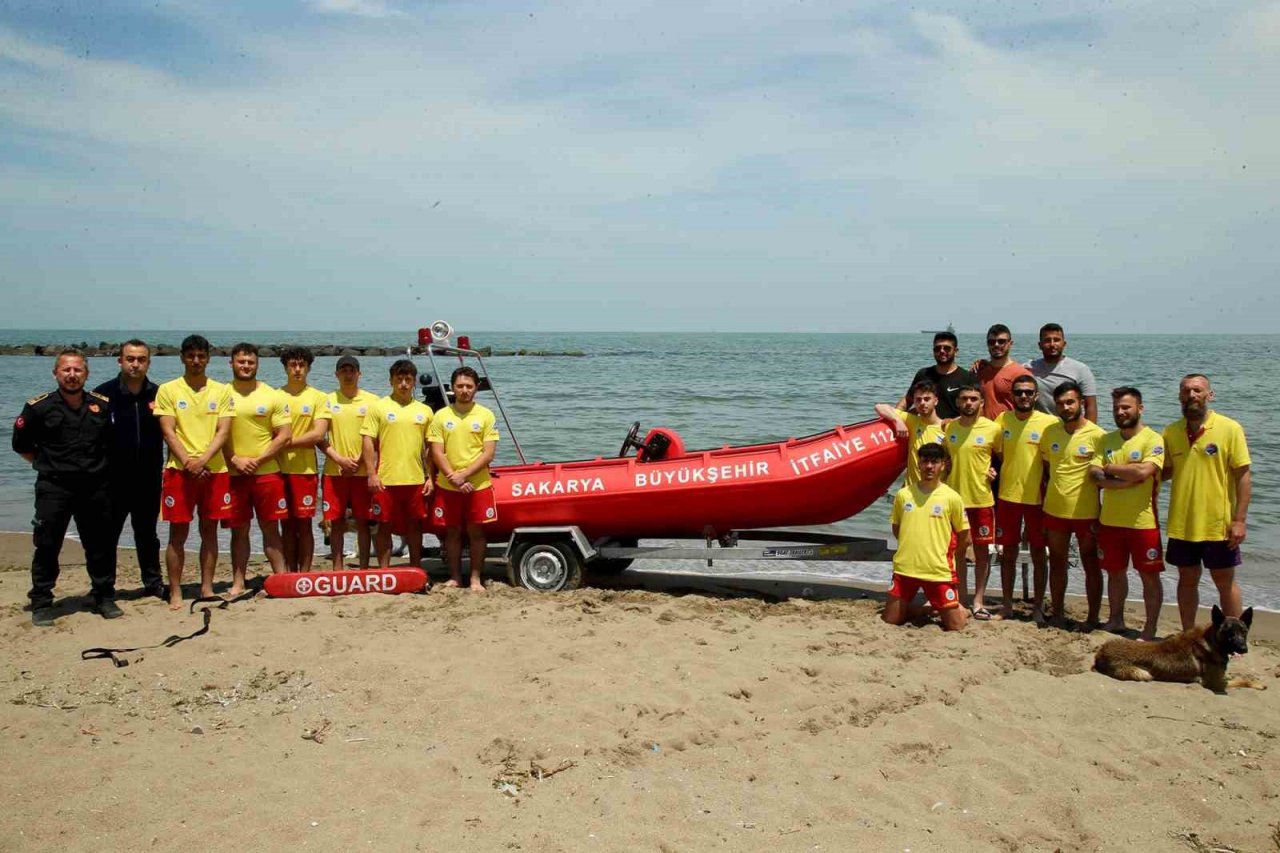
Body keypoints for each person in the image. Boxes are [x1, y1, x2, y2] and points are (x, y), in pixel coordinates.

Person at [12, 349, 119, 625]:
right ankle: (42, 601)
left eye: (77, 370)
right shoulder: (39, 407)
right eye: (66, 370)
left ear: (86, 373)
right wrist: (50, 464)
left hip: (94, 487)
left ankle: (103, 596)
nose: (72, 375)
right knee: (47, 545)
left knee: (100, 545)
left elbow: (110, 445)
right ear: (56, 373)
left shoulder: (101, 405)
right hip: (54, 488)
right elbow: (21, 446)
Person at [1162, 374, 1251, 630]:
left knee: (1224, 582)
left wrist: (1239, 520)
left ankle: (1235, 637)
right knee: (1186, 580)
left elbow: (1243, 476)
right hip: (1183, 523)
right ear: (1179, 396)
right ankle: (1188, 633)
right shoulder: (1170, 431)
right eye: (1186, 391)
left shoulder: (1229, 428)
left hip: (1218, 524)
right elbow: (1164, 471)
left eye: (1197, 390)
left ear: (1209, 395)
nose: (1191, 395)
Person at [154, 334, 233, 609]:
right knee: (178, 534)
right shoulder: (168, 390)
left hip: (214, 470)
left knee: (209, 532)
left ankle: (206, 587)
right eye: (191, 356)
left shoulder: (221, 390)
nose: (196, 361)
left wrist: (203, 460)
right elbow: (168, 431)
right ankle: (175, 591)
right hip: (179, 470)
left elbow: (223, 431)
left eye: (201, 356)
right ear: (182, 358)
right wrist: (189, 461)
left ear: (208, 358)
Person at [1090, 387, 1165, 640]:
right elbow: (1094, 475)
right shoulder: (1106, 440)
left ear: (1140, 409)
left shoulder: (1153, 439)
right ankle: (1116, 620)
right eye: (1116, 408)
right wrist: (1125, 478)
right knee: (1115, 573)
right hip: (1110, 520)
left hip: (1143, 522)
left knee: (1149, 576)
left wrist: (1111, 469)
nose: (1120, 412)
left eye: (1126, 407)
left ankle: (1150, 628)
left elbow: (1144, 472)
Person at [94, 338, 164, 599]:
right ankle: (104, 589)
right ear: (120, 361)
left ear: (148, 363)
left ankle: (153, 584)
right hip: (112, 480)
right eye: (130, 359)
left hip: (148, 478)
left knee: (147, 534)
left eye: (141, 360)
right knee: (106, 536)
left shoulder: (159, 394)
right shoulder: (102, 395)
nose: (135, 364)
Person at [222, 343, 292, 593]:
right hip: (233, 474)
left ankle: (281, 578)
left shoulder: (273, 395)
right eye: (241, 361)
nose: (246, 366)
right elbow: (216, 434)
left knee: (271, 529)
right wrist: (234, 459)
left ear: (257, 365)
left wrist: (258, 460)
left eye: (250, 362)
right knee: (238, 531)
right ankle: (238, 582)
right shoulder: (220, 394)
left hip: (267, 473)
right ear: (231, 363)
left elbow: (284, 435)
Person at [992, 374, 1058, 622]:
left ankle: (1038, 607)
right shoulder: (1003, 420)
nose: (1023, 396)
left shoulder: (1049, 423)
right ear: (1012, 395)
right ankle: (1007, 605)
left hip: (1038, 499)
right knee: (1007, 553)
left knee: (1039, 554)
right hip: (1008, 496)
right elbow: (998, 453)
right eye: (1018, 392)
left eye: (1028, 392)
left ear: (1036, 395)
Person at [428, 366, 500, 592]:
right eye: (460, 386)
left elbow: (488, 453)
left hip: (478, 485)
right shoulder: (441, 415)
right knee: (452, 532)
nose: (465, 390)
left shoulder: (486, 415)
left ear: (476, 388)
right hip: (448, 485)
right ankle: (455, 577)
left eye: (469, 386)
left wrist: (464, 475)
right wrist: (454, 477)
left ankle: (476, 579)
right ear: (452, 388)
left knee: (476, 532)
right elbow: (436, 451)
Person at [1040, 381, 1106, 627]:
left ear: (1081, 403)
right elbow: (1047, 468)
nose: (1065, 407)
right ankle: (1057, 613)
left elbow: (1102, 477)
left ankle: (1093, 617)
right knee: (1057, 562)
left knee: (1091, 563)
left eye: (1070, 402)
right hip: (1054, 509)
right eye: (1060, 404)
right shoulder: (1050, 432)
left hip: (1086, 512)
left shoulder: (1098, 435)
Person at [884, 443, 969, 631]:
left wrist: (946, 555)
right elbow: (897, 529)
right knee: (891, 620)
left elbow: (965, 536)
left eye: (934, 462)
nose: (929, 466)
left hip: (937, 571)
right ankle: (928, 608)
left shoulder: (952, 497)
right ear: (918, 464)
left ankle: (955, 607)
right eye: (925, 461)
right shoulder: (904, 494)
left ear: (943, 465)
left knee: (956, 626)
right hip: (905, 568)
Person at [361, 359, 434, 569]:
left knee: (414, 527)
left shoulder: (425, 411)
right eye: (399, 379)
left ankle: (416, 569)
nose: (403, 384)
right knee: (384, 526)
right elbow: (368, 441)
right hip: (385, 479)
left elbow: (430, 447)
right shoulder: (378, 407)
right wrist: (371, 474)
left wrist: (430, 477)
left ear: (414, 382)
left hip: (415, 479)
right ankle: (384, 571)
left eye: (408, 379)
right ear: (391, 381)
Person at [942, 385, 999, 615]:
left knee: (982, 554)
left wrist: (994, 472)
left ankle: (978, 601)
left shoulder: (993, 429)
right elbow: (945, 460)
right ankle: (961, 599)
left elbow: (1002, 458)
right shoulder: (950, 428)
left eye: (974, 399)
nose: (969, 403)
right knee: (957, 552)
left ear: (981, 402)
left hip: (982, 499)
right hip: (954, 501)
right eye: (964, 399)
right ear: (958, 402)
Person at [321, 354, 377, 569]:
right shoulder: (326, 400)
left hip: (363, 472)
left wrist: (360, 460)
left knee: (363, 522)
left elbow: (375, 437)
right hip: (334, 471)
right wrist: (339, 459)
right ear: (336, 374)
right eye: (343, 370)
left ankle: (363, 568)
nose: (348, 374)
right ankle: (337, 569)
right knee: (336, 522)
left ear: (359, 374)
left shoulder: (373, 401)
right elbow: (319, 437)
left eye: (352, 370)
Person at [277, 346, 329, 572]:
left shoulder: (318, 397)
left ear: (308, 368)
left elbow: (318, 434)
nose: (297, 369)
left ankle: (305, 574)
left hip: (305, 470)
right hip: (277, 469)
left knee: (304, 524)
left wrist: (285, 442)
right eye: (293, 365)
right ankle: (290, 571)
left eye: (302, 365)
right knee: (286, 525)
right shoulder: (275, 396)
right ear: (285, 368)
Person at [874, 380, 945, 486]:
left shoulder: (946, 429)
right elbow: (880, 407)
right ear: (914, 402)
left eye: (927, 399)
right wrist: (897, 421)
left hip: (935, 491)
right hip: (911, 488)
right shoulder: (911, 421)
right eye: (918, 400)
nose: (922, 403)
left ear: (936, 401)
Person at [896, 331, 979, 420]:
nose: (942, 351)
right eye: (937, 348)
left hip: (955, 427)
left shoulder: (967, 377)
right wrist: (895, 417)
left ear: (956, 351)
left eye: (947, 348)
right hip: (926, 427)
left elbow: (977, 409)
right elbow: (908, 400)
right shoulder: (923, 374)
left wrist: (952, 422)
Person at [1024, 323, 1098, 422]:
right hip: (1040, 426)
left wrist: (1088, 430)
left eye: (1056, 340)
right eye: (1047, 340)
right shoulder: (1028, 368)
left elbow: (1090, 405)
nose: (1052, 344)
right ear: (1040, 345)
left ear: (1064, 344)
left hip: (1071, 426)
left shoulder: (1080, 369)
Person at [969, 323, 1024, 419]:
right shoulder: (979, 370)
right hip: (983, 427)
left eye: (1001, 341)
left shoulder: (1020, 374)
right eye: (992, 342)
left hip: (1008, 427)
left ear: (1010, 343)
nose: (996, 345)